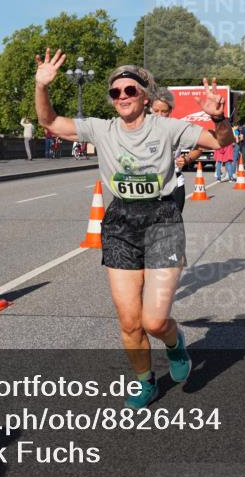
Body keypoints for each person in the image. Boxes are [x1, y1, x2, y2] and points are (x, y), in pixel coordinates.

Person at [35, 49, 234, 409]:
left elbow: (222, 142)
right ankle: (146, 382)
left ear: (145, 96)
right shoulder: (102, 129)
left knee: (154, 321)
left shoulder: (167, 127)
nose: (122, 97)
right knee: (129, 322)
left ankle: (174, 343)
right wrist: (41, 86)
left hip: (162, 219)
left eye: (130, 90)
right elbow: (49, 121)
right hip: (120, 221)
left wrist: (218, 117)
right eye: (116, 92)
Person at [150, 88, 200, 213]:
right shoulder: (142, 129)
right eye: (156, 111)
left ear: (170, 111)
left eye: (164, 111)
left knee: (173, 224)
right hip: (149, 186)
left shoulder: (177, 128)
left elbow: (198, 148)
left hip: (174, 184)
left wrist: (187, 159)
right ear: (150, 109)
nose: (159, 115)